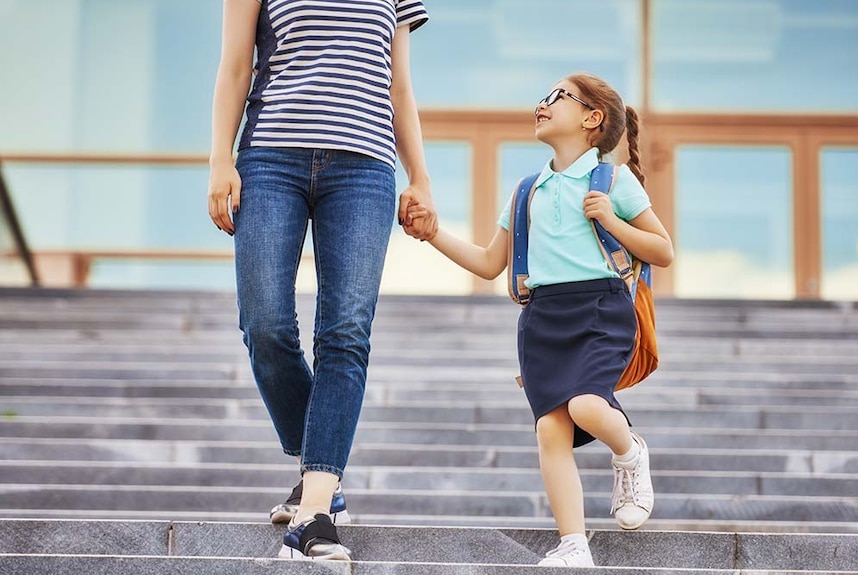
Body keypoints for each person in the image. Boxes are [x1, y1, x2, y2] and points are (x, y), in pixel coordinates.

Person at [406, 72, 674, 567]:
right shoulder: (528, 188)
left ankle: (630, 451)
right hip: (542, 318)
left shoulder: (613, 180)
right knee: (551, 432)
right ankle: (574, 544)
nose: (543, 103)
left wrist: (612, 221)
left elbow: (662, 250)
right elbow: (491, 262)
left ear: (592, 119)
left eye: (558, 97)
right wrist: (433, 234)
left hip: (599, 309)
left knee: (588, 406)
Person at [207, 0, 437, 561]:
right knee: (263, 323)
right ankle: (321, 466)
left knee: (345, 334)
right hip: (269, 158)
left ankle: (313, 511)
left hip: (365, 169)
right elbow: (236, 66)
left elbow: (397, 85)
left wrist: (421, 177)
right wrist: (219, 159)